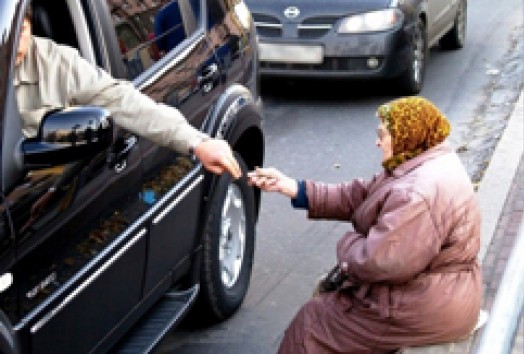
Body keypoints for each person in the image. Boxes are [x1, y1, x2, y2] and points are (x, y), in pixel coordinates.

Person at [248, 96, 482, 353]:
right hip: (438, 293)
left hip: (423, 306)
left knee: (312, 325)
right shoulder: (424, 160)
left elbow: (381, 262)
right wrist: (294, 188)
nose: (377, 141)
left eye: (382, 134)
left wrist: (349, 242)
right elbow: (361, 194)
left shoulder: (416, 193)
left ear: (406, 134)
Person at [15, 5, 241, 179]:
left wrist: (196, 141)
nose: (14, 43)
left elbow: (121, 100)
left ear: (31, 23)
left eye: (21, 31)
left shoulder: (56, 62)